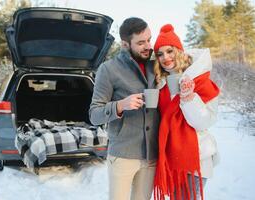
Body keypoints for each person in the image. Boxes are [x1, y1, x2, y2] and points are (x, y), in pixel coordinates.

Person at [89, 17, 160, 200]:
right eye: (141, 42)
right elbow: (94, 115)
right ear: (125, 44)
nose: (147, 46)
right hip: (123, 155)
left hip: (151, 154)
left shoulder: (156, 66)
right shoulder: (109, 69)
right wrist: (120, 105)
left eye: (149, 40)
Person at [152, 24, 220, 200]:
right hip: (171, 159)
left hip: (194, 158)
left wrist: (189, 98)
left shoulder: (201, 81)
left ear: (179, 51)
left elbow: (204, 122)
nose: (165, 57)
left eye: (169, 51)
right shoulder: (161, 84)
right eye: (160, 54)